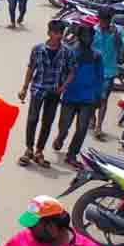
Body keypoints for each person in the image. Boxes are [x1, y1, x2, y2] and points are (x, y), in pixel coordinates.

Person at [18, 20, 75, 168]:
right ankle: (29, 149)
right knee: (32, 119)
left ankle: (39, 151)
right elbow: (31, 68)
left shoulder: (67, 52)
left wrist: (63, 87)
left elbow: (72, 72)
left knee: (47, 122)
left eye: (61, 33)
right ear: (49, 33)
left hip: (54, 92)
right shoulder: (37, 49)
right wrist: (24, 88)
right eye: (56, 33)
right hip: (38, 89)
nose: (59, 36)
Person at [50, 25, 102, 169]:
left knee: (82, 129)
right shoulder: (70, 53)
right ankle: (60, 138)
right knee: (64, 126)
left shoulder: (96, 56)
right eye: (85, 36)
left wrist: (98, 96)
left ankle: (72, 154)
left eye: (90, 36)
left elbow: (100, 77)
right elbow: (61, 71)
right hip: (70, 96)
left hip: (88, 98)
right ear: (79, 37)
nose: (88, 39)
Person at [92, 8, 124, 140]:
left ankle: (98, 127)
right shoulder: (94, 31)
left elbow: (121, 48)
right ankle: (92, 117)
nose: (104, 23)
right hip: (93, 70)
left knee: (103, 99)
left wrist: (116, 36)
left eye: (107, 20)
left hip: (109, 71)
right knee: (92, 98)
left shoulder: (118, 31)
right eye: (102, 20)